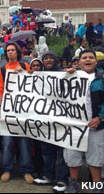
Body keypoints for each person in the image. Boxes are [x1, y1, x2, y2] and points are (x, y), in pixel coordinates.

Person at [64, 50, 104, 193]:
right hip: (73, 126)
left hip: (95, 126)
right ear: (79, 62)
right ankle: (73, 183)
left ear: (95, 61)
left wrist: (100, 117)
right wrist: (65, 75)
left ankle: (97, 185)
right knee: (72, 154)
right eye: (84, 57)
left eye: (91, 58)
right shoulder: (70, 76)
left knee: (96, 155)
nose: (88, 60)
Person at [0, 43, 35, 184]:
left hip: (23, 110)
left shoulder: (25, 66)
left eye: (13, 50)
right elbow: (0, 89)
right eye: (8, 51)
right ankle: (7, 169)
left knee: (24, 142)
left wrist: (27, 74)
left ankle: (27, 170)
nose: (11, 52)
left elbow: (34, 82)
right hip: (8, 109)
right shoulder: (2, 70)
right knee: (7, 142)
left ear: (17, 52)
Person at [33, 51, 69, 193]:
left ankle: (62, 179)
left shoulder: (64, 74)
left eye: (50, 58)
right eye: (45, 58)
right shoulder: (38, 76)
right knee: (46, 151)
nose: (48, 60)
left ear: (55, 60)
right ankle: (48, 176)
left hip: (61, 121)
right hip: (46, 121)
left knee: (61, 152)